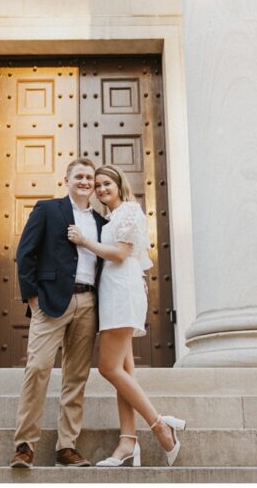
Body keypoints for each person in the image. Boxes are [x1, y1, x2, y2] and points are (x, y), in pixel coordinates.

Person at [67, 164, 186, 467]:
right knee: (124, 372)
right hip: (111, 294)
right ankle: (127, 444)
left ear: (119, 185)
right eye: (99, 185)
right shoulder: (109, 218)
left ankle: (160, 425)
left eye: (107, 183)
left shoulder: (131, 210)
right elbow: (132, 258)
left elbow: (121, 254)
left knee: (108, 368)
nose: (102, 189)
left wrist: (84, 241)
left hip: (121, 294)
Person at [10, 158, 108, 469]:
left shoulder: (102, 223)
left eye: (89, 177)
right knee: (38, 368)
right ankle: (25, 445)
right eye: (79, 176)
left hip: (88, 303)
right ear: (66, 180)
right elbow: (25, 253)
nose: (85, 181)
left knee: (76, 376)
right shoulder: (48, 209)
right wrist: (31, 297)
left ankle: (67, 447)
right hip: (50, 302)